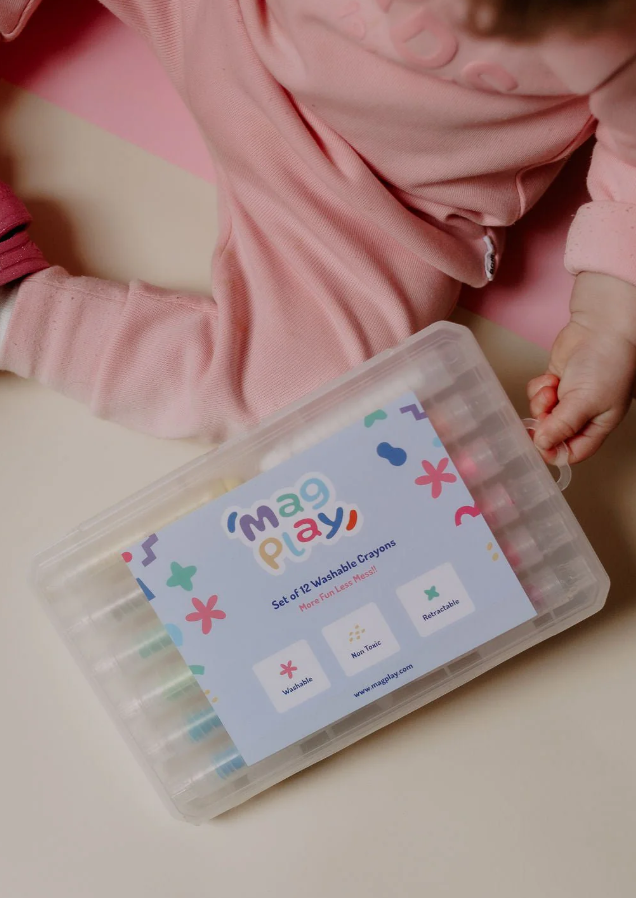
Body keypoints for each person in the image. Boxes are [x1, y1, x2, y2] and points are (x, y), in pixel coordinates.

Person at [1, 0, 635, 463]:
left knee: (306, 396)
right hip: (225, 20)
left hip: (377, 196)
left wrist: (610, 321)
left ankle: (13, 308)